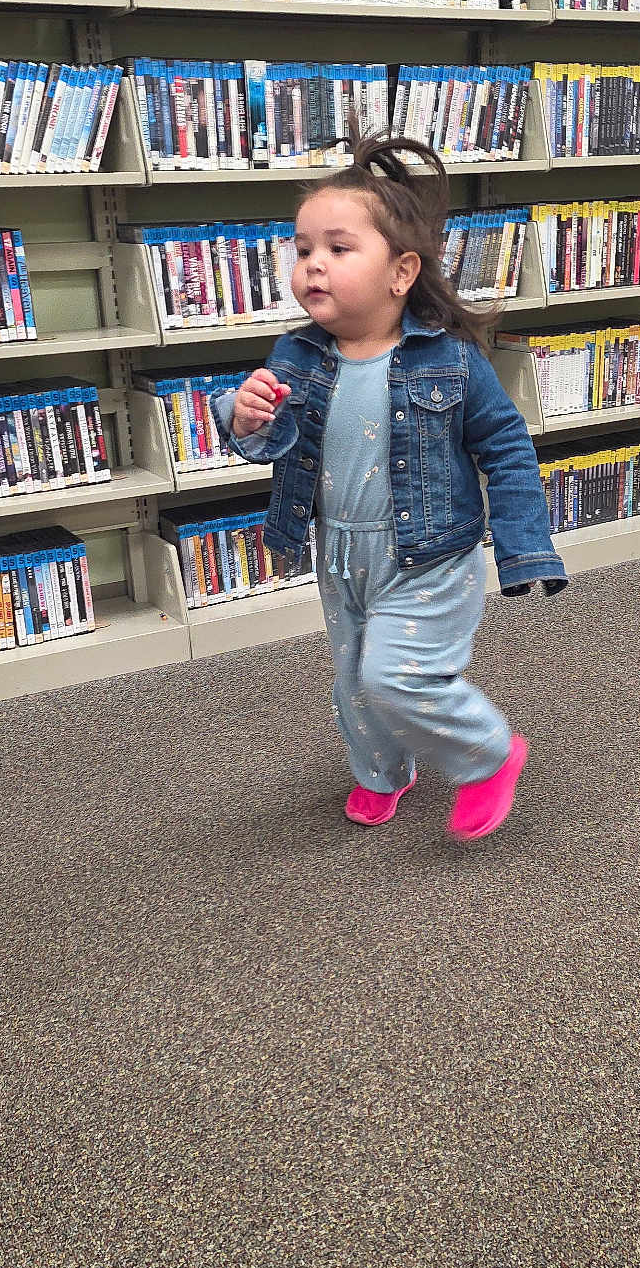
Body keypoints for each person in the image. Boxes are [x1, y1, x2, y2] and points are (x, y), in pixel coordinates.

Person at [209, 126, 567, 842]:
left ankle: (488, 755)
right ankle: (381, 772)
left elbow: (505, 447)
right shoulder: (297, 352)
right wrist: (241, 415)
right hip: (341, 552)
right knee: (354, 683)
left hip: (430, 553)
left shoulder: (451, 363)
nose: (313, 265)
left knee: (395, 674)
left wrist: (525, 547)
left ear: (401, 273)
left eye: (338, 249)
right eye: (303, 248)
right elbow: (269, 441)